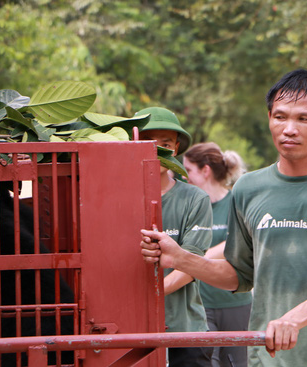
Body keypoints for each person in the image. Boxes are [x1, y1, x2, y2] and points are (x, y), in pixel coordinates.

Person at [141, 69, 307, 367]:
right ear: (269, 118)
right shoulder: (249, 188)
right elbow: (240, 275)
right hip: (270, 357)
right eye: (280, 117)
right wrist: (180, 258)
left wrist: (292, 319)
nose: (289, 129)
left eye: (303, 118)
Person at [135, 107, 213, 367]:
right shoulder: (117, 199)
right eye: (148, 142)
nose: (156, 150)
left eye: (165, 144)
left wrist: (148, 295)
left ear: (176, 148)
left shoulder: (195, 199)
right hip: (130, 330)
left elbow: (192, 265)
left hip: (184, 330)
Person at [183, 142, 252, 367]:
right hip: (200, 304)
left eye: (189, 170)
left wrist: (192, 260)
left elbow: (236, 244)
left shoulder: (236, 202)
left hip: (235, 302)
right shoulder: (191, 206)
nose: (185, 177)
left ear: (205, 171)